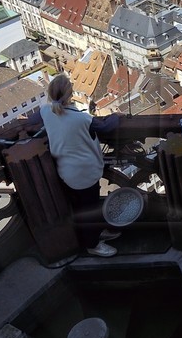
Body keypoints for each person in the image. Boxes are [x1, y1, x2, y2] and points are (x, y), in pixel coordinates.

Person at [41, 73, 122, 257]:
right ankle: (93, 245)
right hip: (85, 172)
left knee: (82, 208)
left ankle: (96, 234)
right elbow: (106, 127)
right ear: (70, 94)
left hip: (65, 171)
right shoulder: (81, 119)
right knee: (90, 210)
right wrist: (116, 115)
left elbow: (34, 121)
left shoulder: (45, 112)